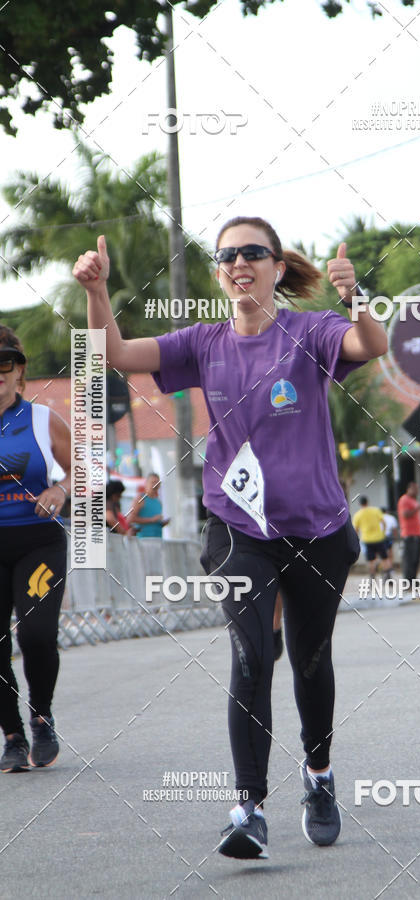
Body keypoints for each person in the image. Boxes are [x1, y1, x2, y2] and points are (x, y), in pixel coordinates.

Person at [73, 218, 387, 859]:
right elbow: (118, 354)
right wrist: (98, 293)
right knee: (250, 653)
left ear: (276, 265)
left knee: (310, 660)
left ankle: (320, 776)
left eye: (253, 252)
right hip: (239, 526)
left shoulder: (311, 331)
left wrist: (355, 295)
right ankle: (248, 808)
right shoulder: (202, 342)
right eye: (227, 255)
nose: (239, 262)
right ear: (219, 270)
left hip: (320, 529)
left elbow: (371, 343)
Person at [0, 326, 71, 773]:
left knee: (37, 634)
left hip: (38, 542)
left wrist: (62, 489)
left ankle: (41, 718)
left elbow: (85, 470)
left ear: (19, 370)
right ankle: (11, 736)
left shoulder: (43, 420)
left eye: (4, 364)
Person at [352, 496, 391, 578]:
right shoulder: (376, 510)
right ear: (367, 502)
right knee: (384, 557)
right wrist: (383, 533)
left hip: (367, 539)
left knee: (370, 560)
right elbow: (384, 523)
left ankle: (372, 576)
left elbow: (356, 530)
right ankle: (387, 575)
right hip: (379, 538)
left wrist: (356, 539)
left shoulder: (357, 515)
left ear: (359, 504)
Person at [397, 482, 420, 581]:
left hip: (417, 533)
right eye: (415, 489)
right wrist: (417, 508)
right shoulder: (404, 500)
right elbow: (405, 514)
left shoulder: (413, 500)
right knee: (409, 559)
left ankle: (413, 579)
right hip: (409, 534)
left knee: (416, 559)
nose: (417, 491)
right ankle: (408, 581)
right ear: (409, 489)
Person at [131, 472, 170, 537]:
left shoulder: (158, 501)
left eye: (157, 482)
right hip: (144, 540)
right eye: (153, 482)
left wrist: (162, 523)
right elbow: (131, 518)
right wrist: (151, 520)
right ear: (146, 484)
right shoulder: (140, 498)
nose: (155, 485)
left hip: (157, 540)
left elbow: (155, 521)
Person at [382, 507, 399, 572]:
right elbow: (394, 529)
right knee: (390, 553)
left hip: (381, 537)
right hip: (389, 536)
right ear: (386, 511)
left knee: (383, 554)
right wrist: (395, 537)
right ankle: (390, 567)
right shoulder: (391, 517)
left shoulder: (379, 517)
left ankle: (384, 568)